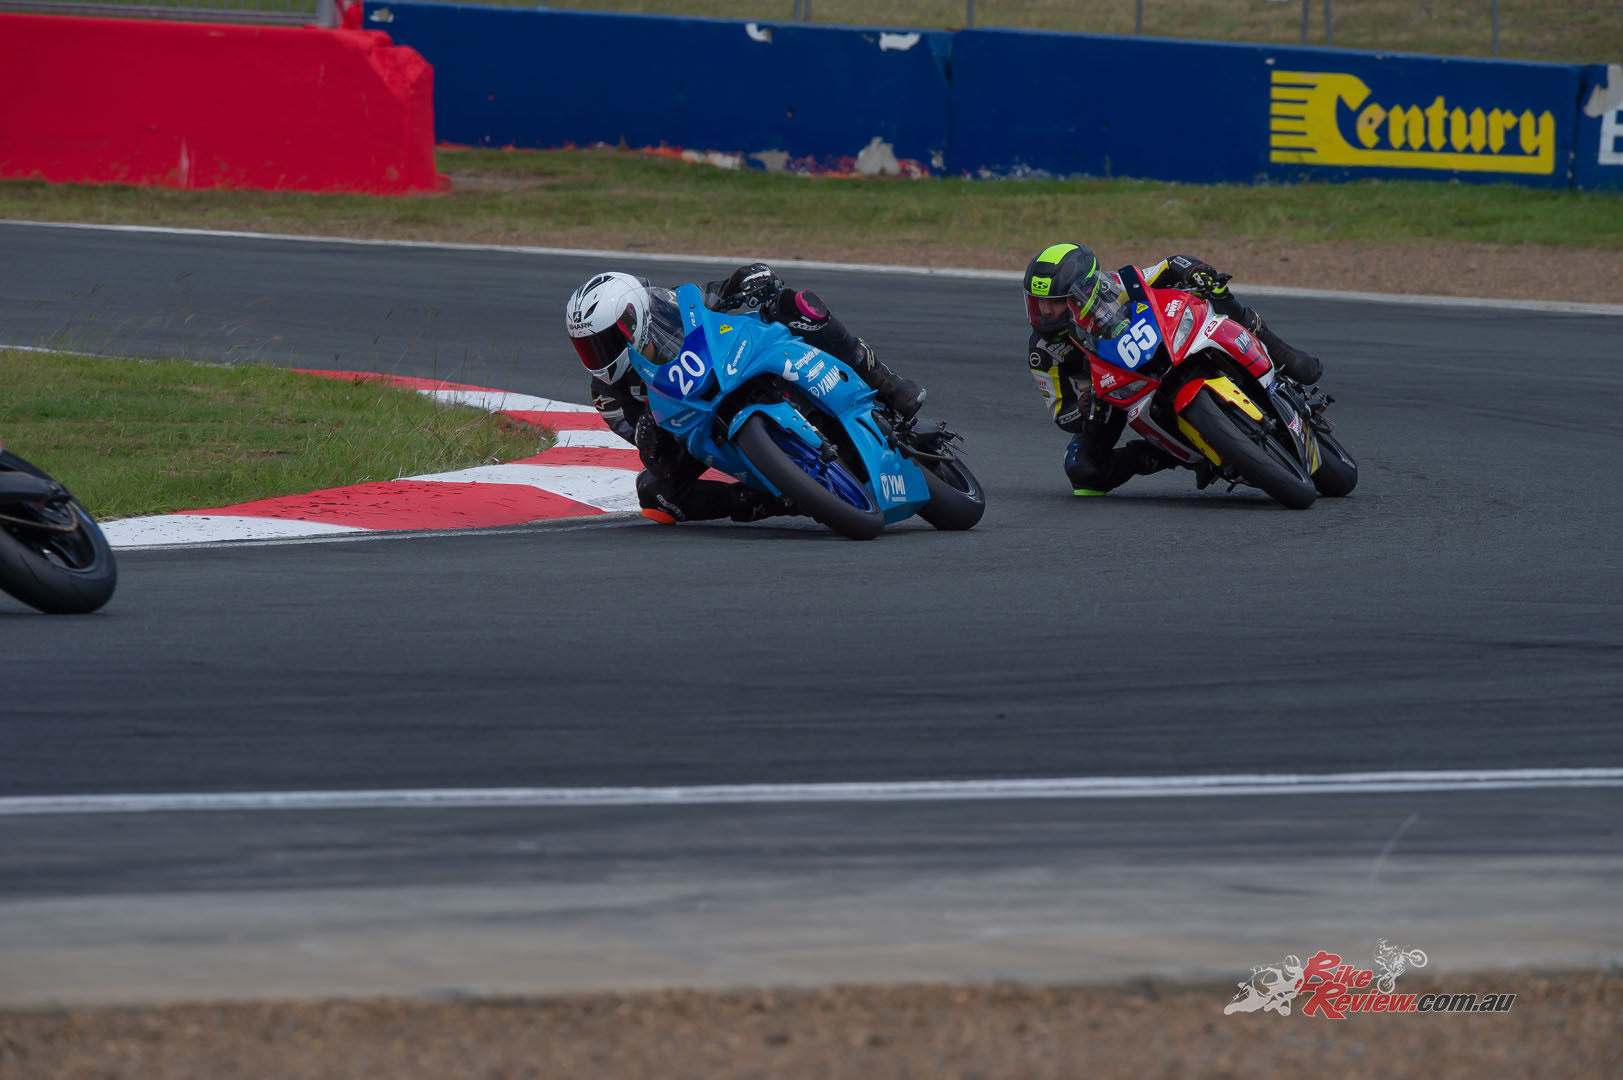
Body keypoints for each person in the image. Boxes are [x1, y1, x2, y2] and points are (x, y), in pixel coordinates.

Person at [565, 263, 927, 524]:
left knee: (795, 304)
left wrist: (747, 279)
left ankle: (887, 384)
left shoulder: (669, 306)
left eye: (604, 342)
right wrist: (648, 441)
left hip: (736, 363)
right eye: (587, 347)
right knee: (654, 494)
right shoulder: (608, 396)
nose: (597, 355)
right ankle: (764, 500)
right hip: (693, 428)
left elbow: (720, 293)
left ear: (633, 320)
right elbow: (661, 462)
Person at [1021, 242, 1323, 496]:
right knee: (1082, 470)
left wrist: (1196, 271)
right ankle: (1168, 454)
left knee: (1217, 293)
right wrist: (1085, 408)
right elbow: (1062, 413)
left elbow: (1171, 264)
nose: (1044, 312)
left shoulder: (1116, 285)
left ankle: (1284, 357)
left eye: (1053, 303)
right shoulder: (1043, 351)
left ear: (1083, 291)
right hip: (1113, 396)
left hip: (1165, 344)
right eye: (1037, 303)